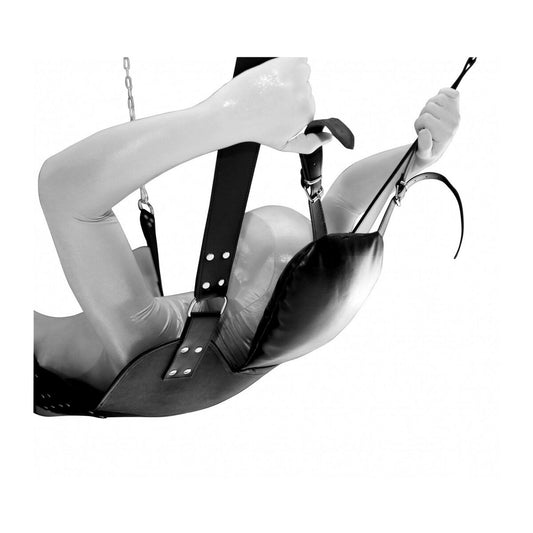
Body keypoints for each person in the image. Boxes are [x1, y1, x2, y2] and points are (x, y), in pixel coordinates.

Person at [34, 58, 460, 392]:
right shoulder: (245, 331)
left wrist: (229, 116)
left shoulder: (148, 343)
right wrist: (416, 158)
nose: (233, 259)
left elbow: (65, 191)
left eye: (243, 261)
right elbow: (346, 201)